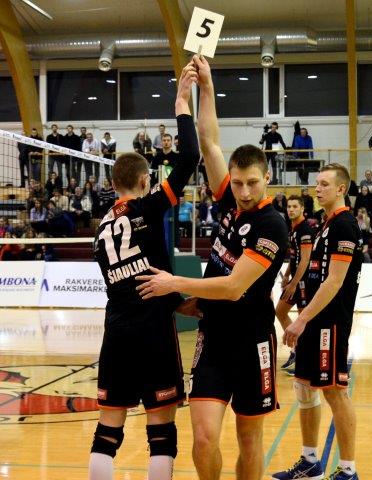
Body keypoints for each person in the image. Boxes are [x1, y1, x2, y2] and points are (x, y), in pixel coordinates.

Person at [135, 55, 288, 480]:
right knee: (204, 437)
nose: (243, 191)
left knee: (249, 439)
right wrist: (205, 83)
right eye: (237, 183)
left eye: (252, 183)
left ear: (266, 178)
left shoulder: (272, 225)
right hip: (214, 338)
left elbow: (235, 287)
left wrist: (175, 283)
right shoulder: (228, 201)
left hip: (254, 340)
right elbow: (209, 141)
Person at [88, 62, 200, 480]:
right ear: (142, 181)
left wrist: (177, 300)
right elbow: (190, 158)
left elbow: (129, 281)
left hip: (116, 333)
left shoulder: (100, 230)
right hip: (153, 333)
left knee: (107, 433)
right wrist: (182, 103)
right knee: (162, 433)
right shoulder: (147, 208)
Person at [272, 163, 363, 480]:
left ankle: (348, 470)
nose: (317, 188)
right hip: (314, 320)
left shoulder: (345, 225)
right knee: (303, 387)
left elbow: (334, 281)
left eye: (324, 183)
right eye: (317, 183)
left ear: (341, 188)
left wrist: (300, 319)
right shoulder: (326, 224)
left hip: (330, 324)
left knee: (335, 392)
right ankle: (310, 461)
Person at [275, 195, 313, 375]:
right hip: (295, 280)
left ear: (302, 209)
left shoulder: (305, 230)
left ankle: (306, 359)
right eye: (289, 206)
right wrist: (286, 275)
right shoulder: (293, 228)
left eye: (294, 206)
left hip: (304, 282)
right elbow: (294, 256)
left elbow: (305, 260)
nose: (290, 209)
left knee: (303, 320)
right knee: (280, 311)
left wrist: (294, 283)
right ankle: (297, 350)